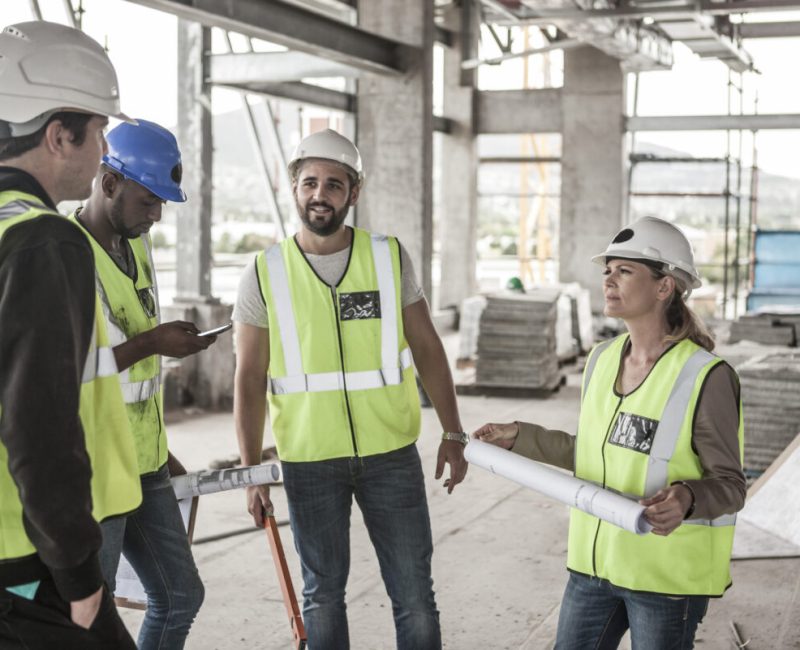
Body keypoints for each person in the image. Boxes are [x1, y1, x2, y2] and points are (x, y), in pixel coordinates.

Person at [234, 129, 468, 649]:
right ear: (294, 188)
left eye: (334, 185)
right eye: (310, 182)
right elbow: (249, 377)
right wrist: (252, 472)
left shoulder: (387, 258)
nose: (321, 194)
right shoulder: (264, 272)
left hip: (391, 454)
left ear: (353, 193)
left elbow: (428, 347)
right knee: (322, 595)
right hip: (309, 459)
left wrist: (454, 431)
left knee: (414, 594)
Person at [474, 216, 746, 650]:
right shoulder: (601, 359)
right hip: (593, 566)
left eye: (624, 271)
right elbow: (597, 452)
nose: (608, 281)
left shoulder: (705, 375)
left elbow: (731, 485)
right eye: (607, 270)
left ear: (664, 287)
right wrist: (519, 437)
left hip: (664, 577)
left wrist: (687, 498)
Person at [0, 21, 143, 648]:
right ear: (60, 135)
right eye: (100, 130)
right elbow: (39, 423)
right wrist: (81, 577)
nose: (104, 148)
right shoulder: (42, 239)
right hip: (26, 556)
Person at [71, 118, 213, 649]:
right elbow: (65, 372)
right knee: (90, 615)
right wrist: (152, 343)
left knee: (180, 596)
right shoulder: (65, 253)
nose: (155, 217)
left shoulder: (136, 245)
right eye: (148, 202)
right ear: (109, 184)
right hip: (95, 470)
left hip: (146, 462)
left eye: (161, 205)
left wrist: (164, 449)